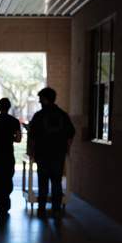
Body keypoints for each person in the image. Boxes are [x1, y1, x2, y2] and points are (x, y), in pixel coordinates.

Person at [27, 87, 75, 218]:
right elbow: (71, 134)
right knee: (56, 182)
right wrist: (67, 149)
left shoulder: (38, 116)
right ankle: (56, 210)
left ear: (44, 99)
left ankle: (41, 209)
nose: (39, 101)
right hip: (58, 154)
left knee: (42, 181)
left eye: (40, 99)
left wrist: (33, 152)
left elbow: (33, 137)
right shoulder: (63, 115)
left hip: (42, 153)